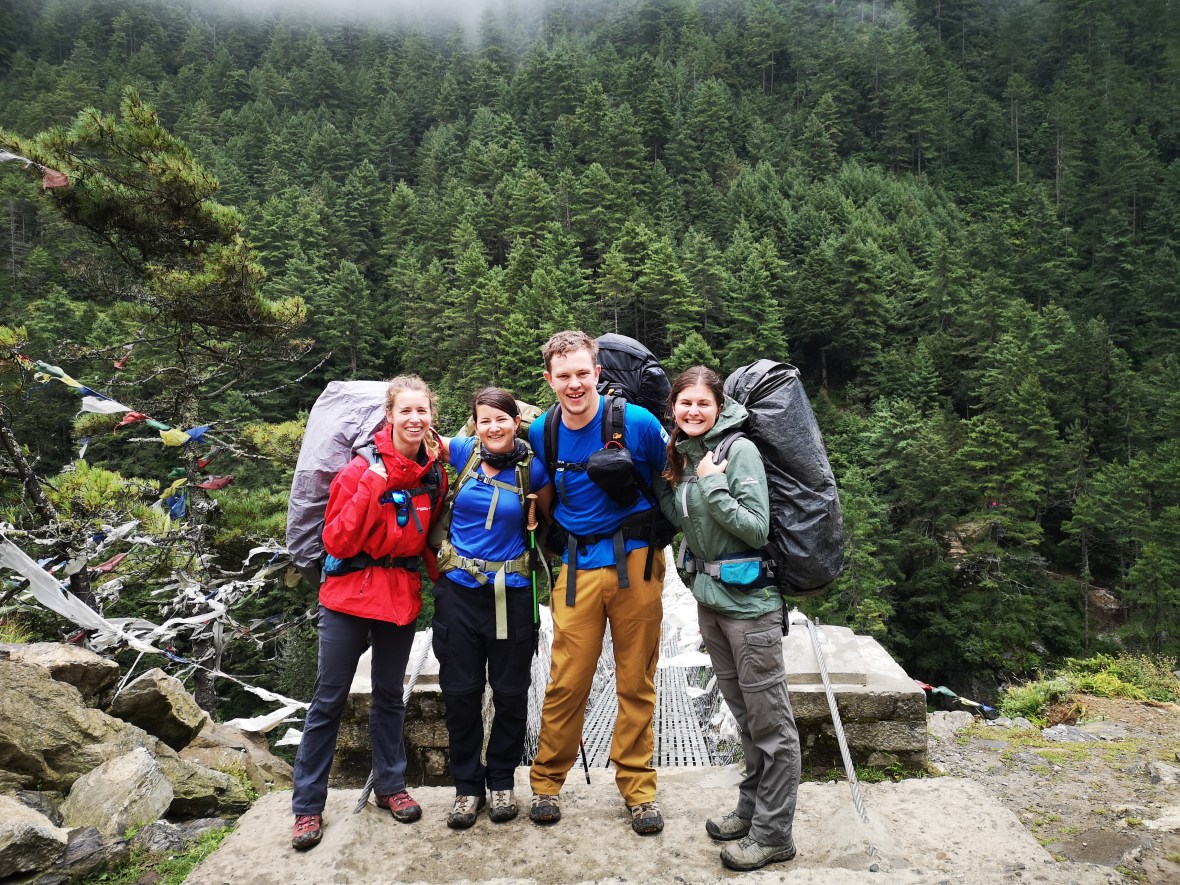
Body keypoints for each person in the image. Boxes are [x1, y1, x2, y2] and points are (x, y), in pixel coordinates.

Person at [290, 375, 446, 851]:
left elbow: (430, 539)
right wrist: (373, 485)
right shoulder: (360, 471)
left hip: (398, 594)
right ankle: (307, 807)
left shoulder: (432, 474)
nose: (415, 419)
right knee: (329, 699)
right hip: (349, 594)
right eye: (406, 412)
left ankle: (391, 787)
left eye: (422, 412)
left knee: (389, 697)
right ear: (390, 416)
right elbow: (336, 540)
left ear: (430, 417)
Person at [657, 366, 801, 872]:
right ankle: (750, 809)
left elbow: (756, 528)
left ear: (719, 407)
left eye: (702, 403)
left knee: (771, 724)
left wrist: (714, 487)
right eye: (684, 403)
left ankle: (774, 833)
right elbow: (685, 520)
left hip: (751, 609)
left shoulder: (737, 452)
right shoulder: (685, 453)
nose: (692, 411)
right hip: (712, 603)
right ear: (672, 407)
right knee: (743, 715)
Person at [527, 330, 670, 836]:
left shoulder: (637, 422)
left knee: (636, 680)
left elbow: (671, 475)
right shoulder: (544, 430)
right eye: (563, 376)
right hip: (577, 566)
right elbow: (540, 492)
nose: (574, 384)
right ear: (549, 380)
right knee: (567, 680)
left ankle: (638, 790)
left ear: (598, 373)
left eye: (582, 373)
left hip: (637, 562)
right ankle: (546, 783)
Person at [430, 389, 552, 829]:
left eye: (502, 419)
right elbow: (420, 437)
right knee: (460, 694)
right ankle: (467, 787)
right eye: (485, 421)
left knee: (510, 691)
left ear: (516, 421)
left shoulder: (534, 469)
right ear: (475, 425)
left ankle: (501, 780)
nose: (494, 428)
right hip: (459, 593)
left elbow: (548, 520)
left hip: (512, 594)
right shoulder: (462, 452)